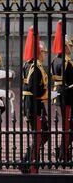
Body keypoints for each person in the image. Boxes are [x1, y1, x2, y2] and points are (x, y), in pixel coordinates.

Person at [21, 26, 50, 174]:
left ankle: (30, 160)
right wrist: (47, 93)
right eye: (43, 52)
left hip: (30, 103)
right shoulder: (35, 67)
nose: (44, 54)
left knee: (40, 133)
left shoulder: (28, 64)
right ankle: (28, 162)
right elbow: (34, 88)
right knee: (40, 134)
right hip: (33, 104)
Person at [51, 20, 73, 162]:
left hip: (58, 93)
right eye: (69, 46)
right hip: (69, 95)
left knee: (66, 125)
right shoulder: (67, 62)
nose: (70, 48)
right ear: (64, 47)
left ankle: (63, 150)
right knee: (68, 126)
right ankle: (63, 153)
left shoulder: (54, 60)